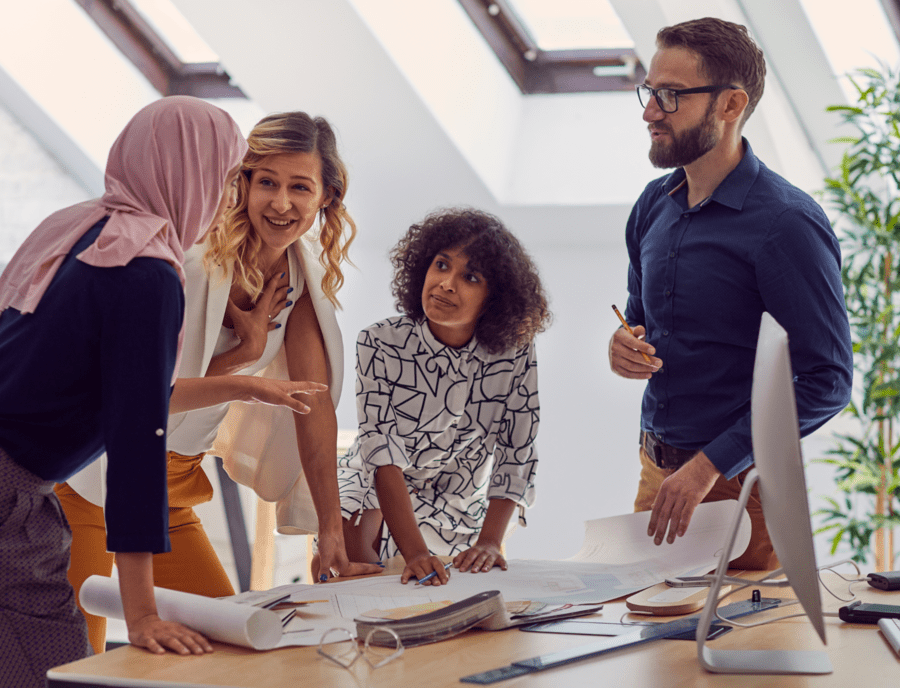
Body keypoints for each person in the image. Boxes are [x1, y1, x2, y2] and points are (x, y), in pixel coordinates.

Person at [57, 111, 382, 654]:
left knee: (235, 644)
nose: (281, 203)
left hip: (171, 489)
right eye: (267, 183)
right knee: (71, 657)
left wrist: (329, 531)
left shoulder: (297, 280)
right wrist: (245, 359)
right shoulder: (191, 263)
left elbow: (313, 408)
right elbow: (138, 402)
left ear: (327, 196)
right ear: (243, 185)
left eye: (300, 187)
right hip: (89, 483)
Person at [0, 96, 250, 686]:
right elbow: (137, 441)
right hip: (9, 491)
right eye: (227, 177)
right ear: (188, 169)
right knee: (52, 668)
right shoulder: (146, 274)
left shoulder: (79, 226)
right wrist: (141, 611)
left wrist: (243, 383)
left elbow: (102, 391)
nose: (229, 198)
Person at [608, 17, 853, 569]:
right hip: (657, 480)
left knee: (742, 654)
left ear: (730, 104)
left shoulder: (787, 224)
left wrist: (707, 466)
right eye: (650, 92)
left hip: (742, 490)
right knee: (648, 651)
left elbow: (828, 380)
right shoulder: (652, 203)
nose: (650, 112)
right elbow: (639, 319)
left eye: (670, 96)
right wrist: (622, 348)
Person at [338, 208, 551, 586]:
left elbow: (518, 447)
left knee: (460, 582)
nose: (446, 284)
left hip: (457, 495)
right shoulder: (379, 342)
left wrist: (490, 541)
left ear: (493, 298)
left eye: (470, 277)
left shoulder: (515, 351)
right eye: (440, 265)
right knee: (356, 556)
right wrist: (416, 552)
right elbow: (381, 453)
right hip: (378, 479)